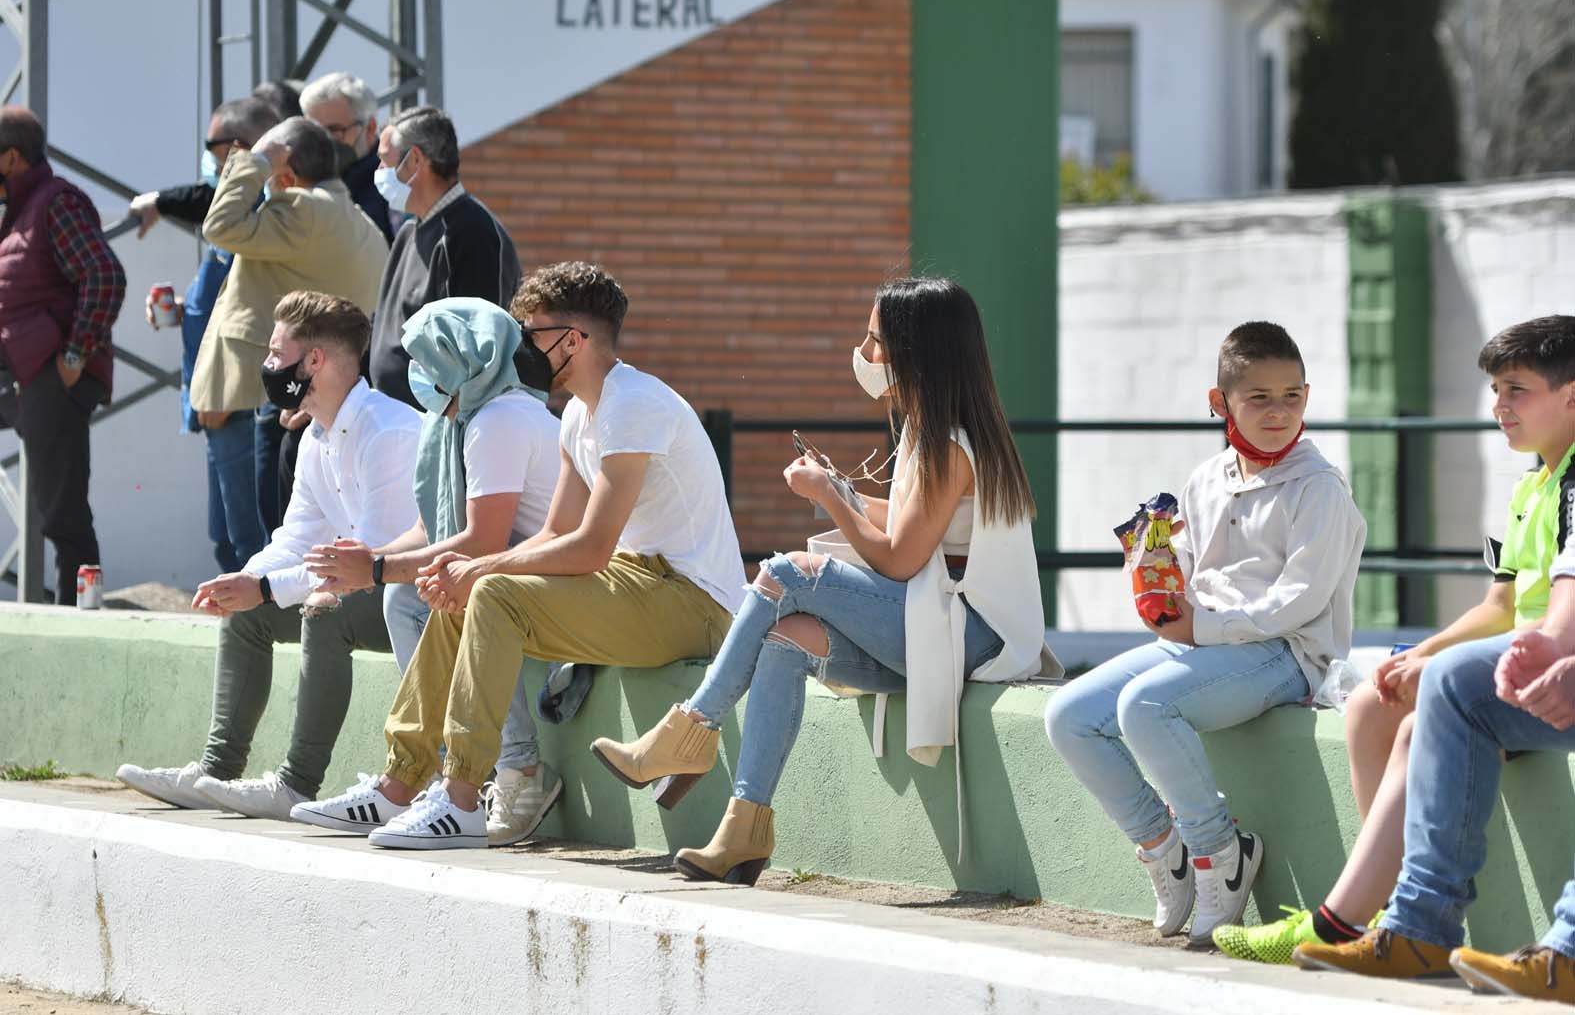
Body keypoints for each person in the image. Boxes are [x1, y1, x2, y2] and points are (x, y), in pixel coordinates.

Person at [591, 277, 1056, 885]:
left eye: (874, 340)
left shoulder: (947, 443)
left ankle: (691, 730)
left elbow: (899, 560)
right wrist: (840, 490)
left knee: (785, 573)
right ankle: (744, 826)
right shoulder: (935, 431)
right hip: (939, 629)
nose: (863, 354)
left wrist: (831, 502)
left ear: (915, 352)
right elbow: (916, 526)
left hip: (970, 640)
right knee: (791, 638)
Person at [292, 262, 742, 849]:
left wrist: (481, 567)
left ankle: (461, 799)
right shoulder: (580, 412)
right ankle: (397, 785)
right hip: (635, 583)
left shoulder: (633, 403)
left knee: (490, 589)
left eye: (533, 335)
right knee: (466, 590)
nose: (521, 348)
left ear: (573, 340)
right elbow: (555, 530)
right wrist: (465, 571)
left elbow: (590, 545)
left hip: (693, 601)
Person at [1215, 314, 1575, 962]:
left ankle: (1355, 921)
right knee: (1372, 700)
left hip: (1531, 678)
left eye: (1514, 389)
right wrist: (1424, 653)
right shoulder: (1530, 485)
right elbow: (1498, 605)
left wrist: (1453, 666)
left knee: (1427, 712)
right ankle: (1385, 911)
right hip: (1516, 668)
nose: (1497, 406)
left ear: (1570, 396)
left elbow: (1557, 611)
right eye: (1493, 390)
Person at [1045, 322, 1367, 945]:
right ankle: (1161, 845)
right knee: (1069, 713)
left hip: (1285, 655)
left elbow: (1296, 605)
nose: (1279, 412)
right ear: (1220, 403)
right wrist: (1155, 577)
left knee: (1147, 704)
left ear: (1307, 394)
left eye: (1292, 396)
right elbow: (1189, 570)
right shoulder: (1207, 477)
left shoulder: (1319, 487)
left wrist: (1200, 626)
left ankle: (1222, 852)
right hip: (1201, 646)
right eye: (1259, 398)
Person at [116, 291, 418, 818]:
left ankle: (296, 785)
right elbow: (296, 538)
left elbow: (369, 565)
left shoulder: (388, 431)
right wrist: (247, 580)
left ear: (315, 361)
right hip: (365, 585)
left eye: (277, 354)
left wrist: (265, 587)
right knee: (247, 613)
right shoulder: (315, 437)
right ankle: (216, 772)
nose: (268, 366)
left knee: (325, 610)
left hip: (407, 595)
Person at [298, 297, 563, 845]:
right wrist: (369, 566)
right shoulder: (459, 423)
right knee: (412, 596)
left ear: (468, 358)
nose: (419, 373)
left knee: (466, 592)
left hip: (554, 585)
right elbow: (432, 531)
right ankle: (426, 778)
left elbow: (481, 544)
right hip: (520, 579)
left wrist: (375, 570)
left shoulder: (500, 417)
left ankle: (520, 770)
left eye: (431, 357)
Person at [1290, 553, 1575, 1002]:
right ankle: (1417, 927)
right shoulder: (1531, 491)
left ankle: (1570, 948)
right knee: (1448, 678)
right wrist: (1557, 644)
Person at [190, 116, 388, 534]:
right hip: (302, 394)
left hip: (253, 395)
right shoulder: (359, 222)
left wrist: (257, 161)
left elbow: (219, 225)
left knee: (244, 541)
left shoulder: (303, 208)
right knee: (261, 536)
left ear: (287, 172)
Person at [129, 96, 280, 573]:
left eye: (209, 147)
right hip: (217, 402)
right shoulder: (233, 212)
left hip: (234, 403)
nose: (206, 160)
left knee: (248, 544)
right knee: (227, 540)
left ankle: (261, 637)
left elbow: (253, 310)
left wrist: (225, 398)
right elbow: (224, 300)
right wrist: (181, 312)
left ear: (236, 148)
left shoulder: (252, 208)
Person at [0, 107, 126, 605]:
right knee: (60, 505)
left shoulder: (56, 203)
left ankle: (81, 615)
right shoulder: (19, 212)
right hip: (21, 374)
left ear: (11, 157)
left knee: (62, 511)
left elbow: (105, 276)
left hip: (53, 374)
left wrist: (74, 356)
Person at [366, 106, 521, 409]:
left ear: (414, 160)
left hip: (437, 425)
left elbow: (477, 352)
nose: (379, 170)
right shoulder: (411, 231)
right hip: (395, 421)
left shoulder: (471, 232)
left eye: (384, 160)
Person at [300, 71, 395, 242]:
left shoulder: (395, 185)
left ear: (370, 128)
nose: (323, 142)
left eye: (335, 130)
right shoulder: (298, 182)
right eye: (314, 132)